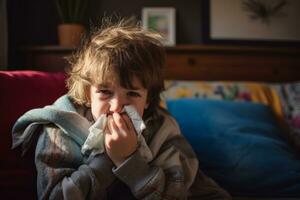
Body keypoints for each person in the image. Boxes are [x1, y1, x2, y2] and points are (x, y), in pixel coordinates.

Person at [12, 18, 231, 200]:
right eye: (105, 92)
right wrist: (109, 158)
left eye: (133, 94)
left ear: (148, 99)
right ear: (88, 93)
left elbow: (176, 192)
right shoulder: (59, 128)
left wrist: (128, 161)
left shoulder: (163, 130)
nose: (117, 107)